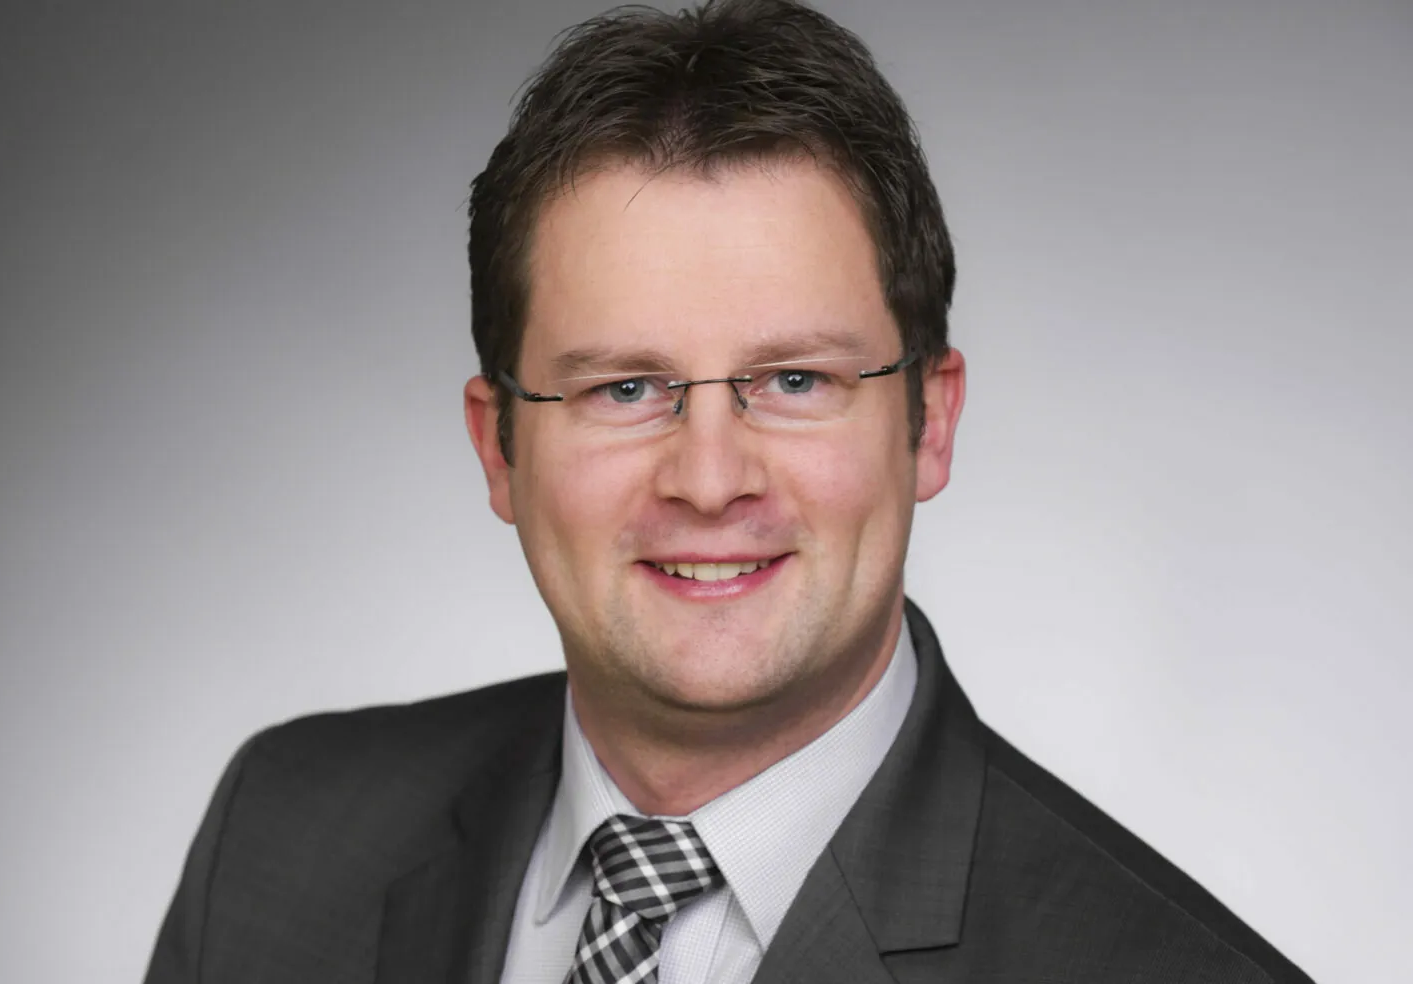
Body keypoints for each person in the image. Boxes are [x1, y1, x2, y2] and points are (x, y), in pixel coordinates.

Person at [145, 1, 1313, 982]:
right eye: (624, 389)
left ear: (930, 423)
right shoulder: (280, 839)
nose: (709, 480)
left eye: (794, 379)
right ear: (499, 445)